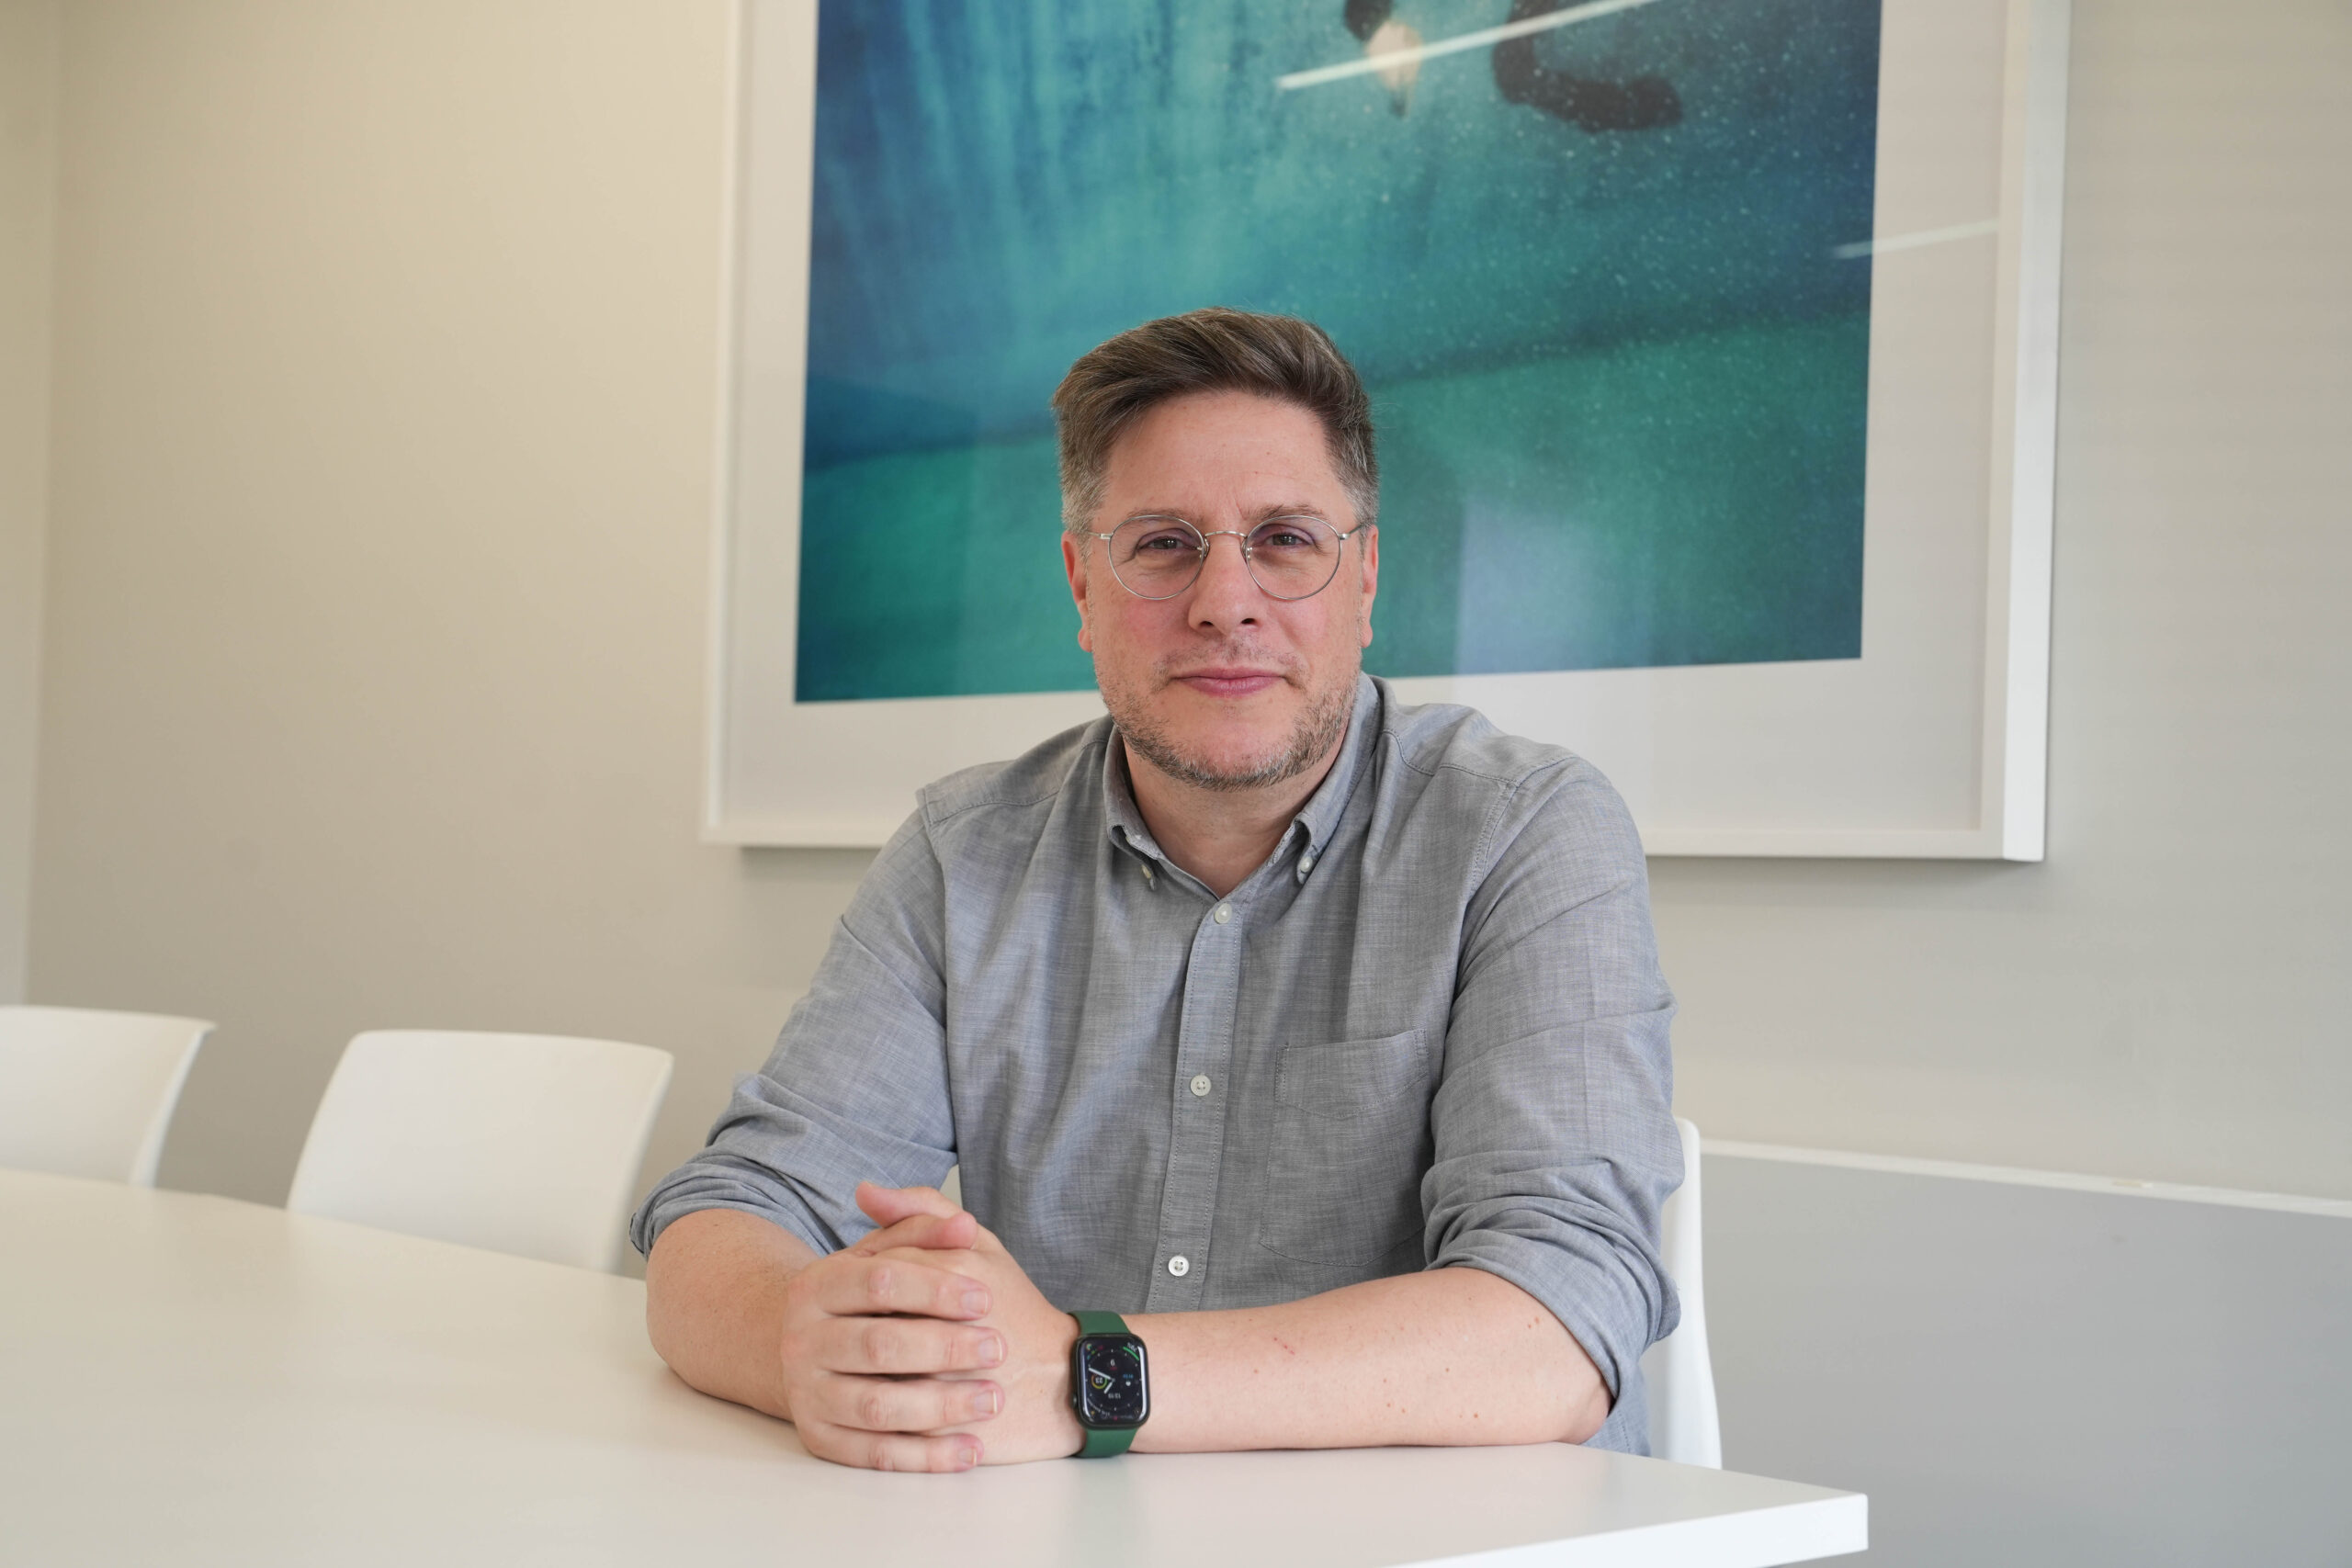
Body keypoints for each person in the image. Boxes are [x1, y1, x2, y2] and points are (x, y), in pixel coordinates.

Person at [632, 308, 1680, 1472]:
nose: (1224, 601)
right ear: (1083, 585)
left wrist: (1084, 1377)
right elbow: (730, 1213)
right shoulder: (959, 853)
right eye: (1164, 544)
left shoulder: (1524, 829)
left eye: (1284, 539)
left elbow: (1558, 1323)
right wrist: (810, 1342)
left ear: (1365, 577)